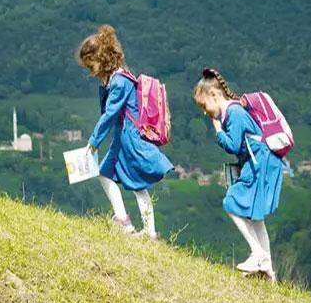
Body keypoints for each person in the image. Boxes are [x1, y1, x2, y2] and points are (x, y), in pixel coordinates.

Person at [77, 25, 173, 239]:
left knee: (137, 184)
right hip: (123, 137)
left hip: (131, 138)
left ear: (99, 58)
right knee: (105, 173)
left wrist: (93, 142)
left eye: (89, 63)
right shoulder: (114, 80)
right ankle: (125, 222)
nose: (88, 69)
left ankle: (145, 231)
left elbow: (109, 114)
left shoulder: (119, 82)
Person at [193, 68, 283, 281]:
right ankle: (268, 270)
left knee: (231, 201)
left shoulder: (234, 114)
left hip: (258, 163)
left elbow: (233, 145)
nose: (206, 112)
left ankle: (258, 255)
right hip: (263, 162)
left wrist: (218, 131)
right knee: (256, 217)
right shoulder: (235, 111)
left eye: (205, 106)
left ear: (214, 95)